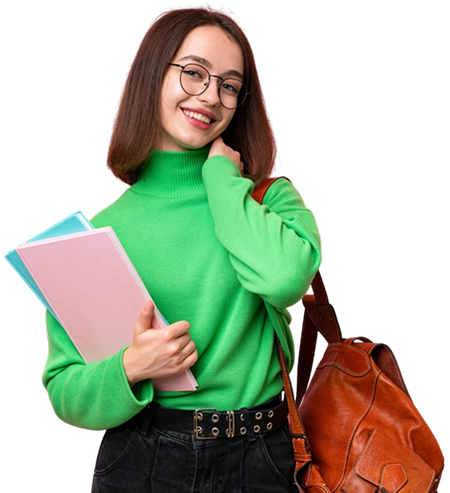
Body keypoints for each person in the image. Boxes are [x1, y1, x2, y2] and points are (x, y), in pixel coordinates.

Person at [41, 4, 322, 492]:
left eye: (229, 85)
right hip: (143, 459)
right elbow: (65, 389)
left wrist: (220, 178)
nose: (210, 96)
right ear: (153, 75)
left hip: (265, 455)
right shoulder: (95, 235)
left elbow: (285, 280)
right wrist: (132, 368)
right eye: (194, 73)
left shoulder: (268, 199)